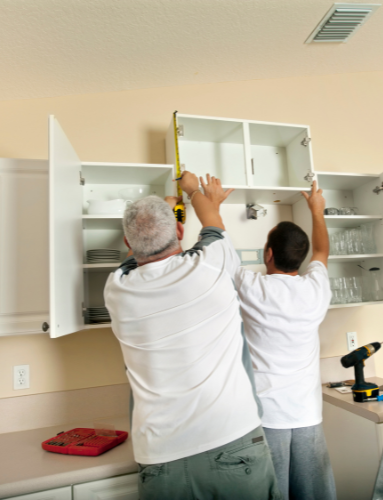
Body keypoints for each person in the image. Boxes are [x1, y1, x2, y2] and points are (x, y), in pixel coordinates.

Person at [104, 171, 281, 500]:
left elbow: (134, 261)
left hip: (160, 458)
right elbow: (211, 221)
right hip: (232, 440)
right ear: (180, 231)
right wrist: (193, 190)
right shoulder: (212, 265)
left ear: (128, 243)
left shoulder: (116, 290)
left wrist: (167, 208)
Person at [233, 181, 337, 500]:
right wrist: (317, 211)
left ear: (268, 253)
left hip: (267, 418)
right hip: (308, 414)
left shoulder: (252, 288)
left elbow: (220, 256)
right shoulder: (316, 288)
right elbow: (322, 250)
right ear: (301, 257)